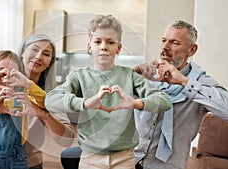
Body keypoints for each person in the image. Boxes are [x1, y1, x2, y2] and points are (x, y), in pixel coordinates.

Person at [45, 14, 172, 169]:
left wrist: (136, 103)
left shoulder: (130, 76)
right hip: (90, 158)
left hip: (124, 158)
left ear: (118, 48)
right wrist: (84, 103)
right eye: (98, 41)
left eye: (110, 42)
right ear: (89, 46)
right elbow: (50, 100)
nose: (103, 46)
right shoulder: (78, 76)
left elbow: (164, 100)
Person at [0, 34, 75, 169]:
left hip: (26, 161)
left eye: (46, 54)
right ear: (23, 52)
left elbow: (66, 140)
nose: (39, 56)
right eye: (34, 49)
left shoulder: (50, 96)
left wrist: (42, 113)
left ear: (50, 62)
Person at [133, 20, 228, 169]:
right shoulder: (147, 75)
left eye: (174, 42)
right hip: (130, 161)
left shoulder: (199, 81)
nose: (165, 47)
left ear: (191, 50)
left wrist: (184, 82)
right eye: (163, 40)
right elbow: (108, 101)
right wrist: (132, 74)